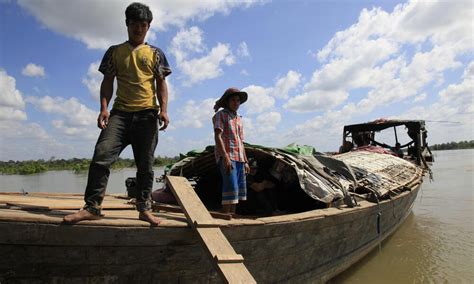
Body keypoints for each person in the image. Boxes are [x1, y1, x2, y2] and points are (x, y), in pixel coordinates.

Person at [63, 3, 171, 226]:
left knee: (146, 165)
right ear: (127, 24)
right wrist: (103, 108)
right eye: (134, 24)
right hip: (120, 115)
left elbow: (161, 84)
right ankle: (92, 207)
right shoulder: (114, 52)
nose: (138, 29)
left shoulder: (155, 53)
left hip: (147, 116)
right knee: (101, 156)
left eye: (143, 25)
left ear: (148, 26)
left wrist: (164, 110)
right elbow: (107, 82)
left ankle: (144, 208)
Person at [213, 88, 250, 214]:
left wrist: (245, 161)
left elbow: (240, 141)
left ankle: (232, 217)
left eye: (238, 100)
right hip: (228, 156)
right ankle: (225, 217)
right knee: (230, 188)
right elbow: (218, 136)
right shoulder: (220, 115)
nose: (236, 103)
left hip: (239, 157)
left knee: (237, 192)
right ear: (227, 102)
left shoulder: (239, 119)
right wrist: (226, 157)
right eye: (233, 100)